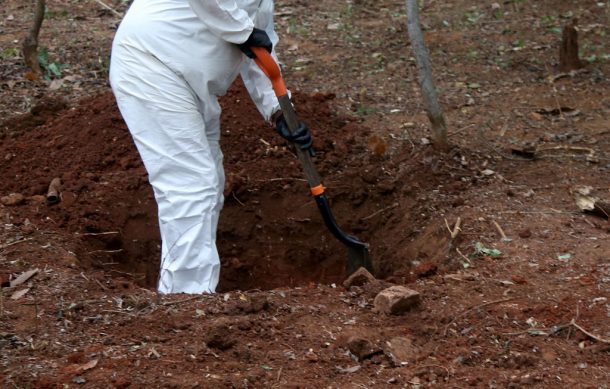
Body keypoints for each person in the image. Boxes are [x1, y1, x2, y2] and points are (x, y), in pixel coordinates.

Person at [109, 0, 313, 294]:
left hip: (191, 82)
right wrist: (244, 32)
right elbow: (230, 20)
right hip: (151, 64)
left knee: (209, 182)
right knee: (191, 185)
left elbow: (259, 48)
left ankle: (184, 293)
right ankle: (186, 304)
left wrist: (279, 112)